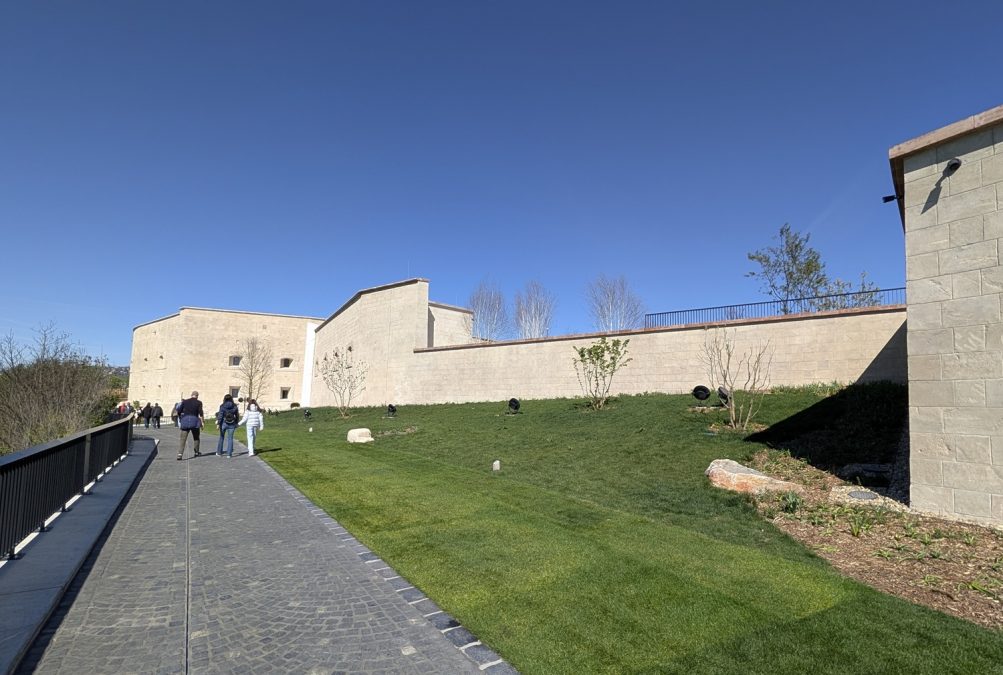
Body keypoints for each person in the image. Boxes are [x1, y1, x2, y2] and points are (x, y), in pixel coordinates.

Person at [177, 391, 205, 460]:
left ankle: (180, 454)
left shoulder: (185, 401)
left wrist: (180, 417)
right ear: (197, 396)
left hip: (185, 420)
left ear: (191, 395)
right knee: (196, 437)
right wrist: (202, 422)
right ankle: (196, 452)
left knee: (183, 439)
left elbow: (179, 410)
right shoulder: (199, 402)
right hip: (194, 420)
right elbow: (201, 413)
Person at [215, 394, 240, 458]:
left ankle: (219, 452)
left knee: (221, 437)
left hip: (223, 423)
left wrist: (218, 424)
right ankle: (229, 454)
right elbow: (237, 415)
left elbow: (220, 415)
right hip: (232, 423)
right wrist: (236, 422)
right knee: (230, 438)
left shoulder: (222, 406)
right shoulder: (234, 406)